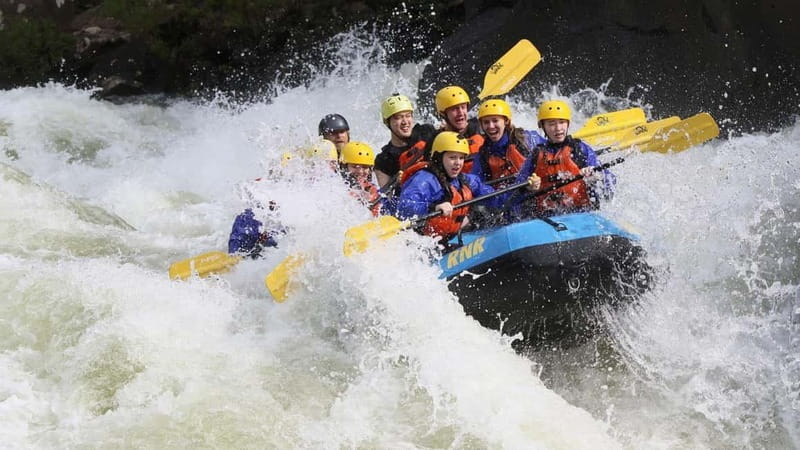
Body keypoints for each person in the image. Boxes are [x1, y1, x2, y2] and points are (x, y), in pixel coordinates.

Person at [512, 99, 614, 217]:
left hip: (581, 213)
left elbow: (610, 182)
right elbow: (517, 190)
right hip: (546, 217)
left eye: (562, 122)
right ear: (542, 126)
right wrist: (528, 187)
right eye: (551, 124)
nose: (558, 128)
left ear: (568, 124)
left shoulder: (579, 149)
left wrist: (596, 176)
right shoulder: (536, 155)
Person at [396, 131, 501, 242]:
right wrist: (433, 207)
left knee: (482, 213)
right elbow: (405, 206)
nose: (458, 163)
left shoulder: (465, 180)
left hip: (453, 236)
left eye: (461, 158)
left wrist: (515, 195)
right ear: (439, 157)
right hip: (427, 242)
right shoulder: (425, 180)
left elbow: (492, 196)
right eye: (452, 157)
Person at [471, 98, 546, 188]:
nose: (491, 126)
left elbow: (552, 149)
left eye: (495, 120)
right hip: (511, 199)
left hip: (537, 191)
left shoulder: (527, 139)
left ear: (506, 121)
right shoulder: (483, 156)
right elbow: (476, 186)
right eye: (486, 122)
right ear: (482, 125)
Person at [339, 141, 381, 216]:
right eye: (354, 167)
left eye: (365, 167)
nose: (360, 171)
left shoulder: (371, 189)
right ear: (344, 167)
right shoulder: (336, 187)